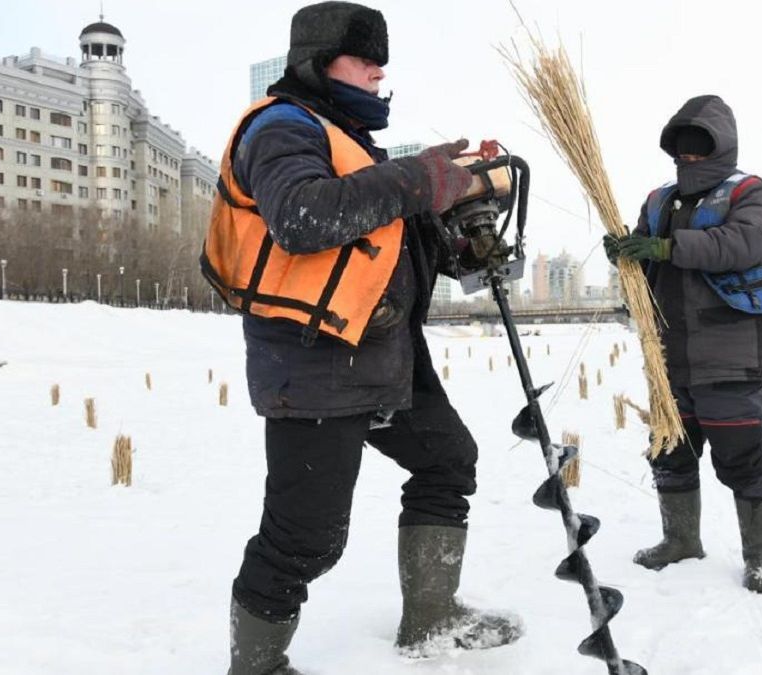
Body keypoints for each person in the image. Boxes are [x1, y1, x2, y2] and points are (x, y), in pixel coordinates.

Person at [201, 3, 522, 672]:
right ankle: (255, 666)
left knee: (447, 462)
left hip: (383, 360)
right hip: (313, 365)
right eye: (365, 59)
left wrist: (464, 231)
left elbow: (392, 247)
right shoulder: (282, 126)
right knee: (305, 538)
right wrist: (420, 178)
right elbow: (302, 217)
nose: (379, 73)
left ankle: (431, 618)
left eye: (382, 62)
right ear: (320, 63)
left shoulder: (353, 144)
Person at [603, 94, 762, 594]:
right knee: (669, 450)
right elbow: (645, 257)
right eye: (681, 146)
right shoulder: (659, 200)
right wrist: (627, 253)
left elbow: (744, 243)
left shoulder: (752, 193)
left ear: (720, 145)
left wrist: (666, 247)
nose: (688, 155)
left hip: (729, 354)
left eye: (698, 145)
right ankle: (680, 540)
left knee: (743, 455)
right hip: (668, 355)